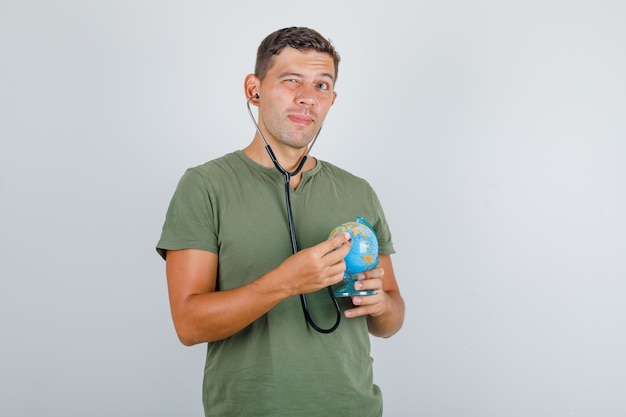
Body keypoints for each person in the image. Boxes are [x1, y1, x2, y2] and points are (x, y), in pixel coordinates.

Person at [156, 26, 405, 417]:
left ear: (332, 100)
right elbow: (188, 324)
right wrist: (284, 283)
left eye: (322, 85)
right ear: (254, 89)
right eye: (291, 80)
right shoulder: (204, 185)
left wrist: (379, 304)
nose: (307, 97)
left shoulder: (359, 191)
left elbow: (391, 318)